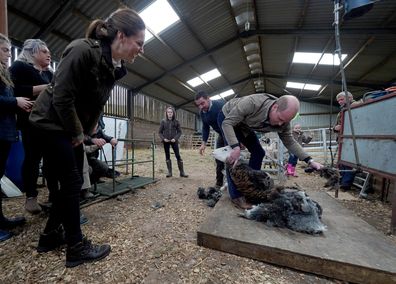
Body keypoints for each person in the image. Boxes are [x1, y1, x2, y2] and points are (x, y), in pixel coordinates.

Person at [28, 8, 146, 267]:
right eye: (139, 43)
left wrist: (87, 131)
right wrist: (78, 133)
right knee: (71, 182)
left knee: (72, 184)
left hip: (67, 126)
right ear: (122, 36)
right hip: (48, 122)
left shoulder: (115, 66)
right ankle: (76, 248)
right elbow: (61, 97)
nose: (141, 49)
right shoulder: (82, 50)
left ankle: (49, 237)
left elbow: (96, 104)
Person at [219, 93, 323, 209]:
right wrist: (235, 146)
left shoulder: (284, 122)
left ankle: (251, 187)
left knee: (258, 152)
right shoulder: (252, 103)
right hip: (228, 118)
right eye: (279, 119)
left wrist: (310, 160)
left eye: (285, 122)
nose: (280, 124)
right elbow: (227, 123)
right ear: (275, 107)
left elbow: (290, 141)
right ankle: (237, 196)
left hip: (245, 125)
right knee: (233, 157)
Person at [9, 39, 56, 214]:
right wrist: (44, 88)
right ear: (32, 52)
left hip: (49, 122)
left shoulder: (50, 73)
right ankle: (31, 198)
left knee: (52, 159)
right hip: (29, 122)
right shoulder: (19, 67)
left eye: (48, 51)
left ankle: (54, 196)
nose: (48, 54)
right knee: (32, 159)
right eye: (44, 51)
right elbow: (12, 89)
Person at [0, 33, 32, 241]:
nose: (8, 54)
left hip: (5, 131)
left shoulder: (4, 73)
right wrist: (15, 102)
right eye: (4, 49)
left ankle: (1, 220)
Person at [194, 91, 225, 189]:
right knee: (219, 158)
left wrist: (239, 139)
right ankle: (219, 183)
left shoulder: (221, 105)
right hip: (221, 135)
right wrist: (203, 143)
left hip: (232, 133)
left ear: (208, 98)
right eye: (198, 105)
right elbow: (205, 127)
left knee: (233, 159)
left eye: (202, 103)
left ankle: (236, 184)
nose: (201, 107)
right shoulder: (202, 113)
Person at [333, 91, 360, 191]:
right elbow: (336, 125)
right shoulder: (341, 111)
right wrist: (335, 128)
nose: (339, 102)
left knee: (348, 161)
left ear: (350, 97)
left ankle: (345, 184)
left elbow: (357, 122)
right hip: (342, 139)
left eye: (341, 99)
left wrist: (342, 126)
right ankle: (342, 181)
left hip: (351, 139)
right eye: (338, 100)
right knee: (342, 162)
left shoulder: (356, 106)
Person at [158, 106, 188, 178]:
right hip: (166, 141)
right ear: (166, 113)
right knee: (167, 155)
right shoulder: (163, 121)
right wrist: (163, 138)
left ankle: (182, 172)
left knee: (178, 155)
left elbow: (179, 132)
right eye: (168, 112)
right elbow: (159, 132)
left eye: (171, 112)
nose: (169, 113)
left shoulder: (176, 122)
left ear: (173, 113)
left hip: (174, 141)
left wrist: (175, 138)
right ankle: (169, 172)